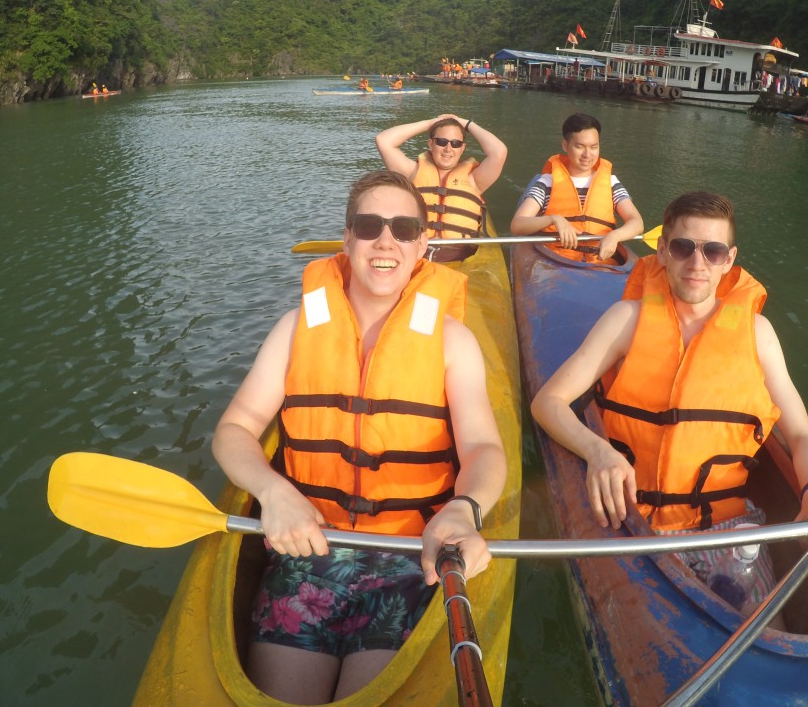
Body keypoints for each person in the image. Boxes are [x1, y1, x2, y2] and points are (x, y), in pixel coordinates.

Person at [212, 169, 506, 704]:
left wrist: (466, 508)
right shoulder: (294, 329)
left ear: (422, 244)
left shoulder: (452, 341)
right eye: (370, 226)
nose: (385, 241)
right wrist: (274, 492)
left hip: (414, 558)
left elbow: (484, 449)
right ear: (348, 238)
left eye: (403, 228)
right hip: (307, 549)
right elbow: (234, 430)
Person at [530, 191, 808, 608]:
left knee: (765, 628)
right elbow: (548, 402)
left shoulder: (758, 334)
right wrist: (598, 451)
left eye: (713, 251)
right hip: (632, 522)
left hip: (728, 529)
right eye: (683, 247)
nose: (697, 264)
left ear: (729, 260)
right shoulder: (626, 320)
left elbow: (802, 436)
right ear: (663, 251)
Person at [510, 112, 644, 263]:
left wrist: (615, 236)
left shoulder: (611, 183)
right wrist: (554, 219)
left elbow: (637, 222)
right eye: (580, 147)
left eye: (593, 147)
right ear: (565, 146)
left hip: (602, 264)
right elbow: (517, 224)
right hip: (555, 263)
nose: (587, 154)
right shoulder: (547, 183)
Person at [376, 114, 508, 262]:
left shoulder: (474, 179)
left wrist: (467, 124)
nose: (448, 149)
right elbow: (384, 141)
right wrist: (430, 123)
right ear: (431, 144)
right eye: (441, 142)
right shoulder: (412, 172)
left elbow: (499, 152)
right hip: (417, 254)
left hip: (461, 257)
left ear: (462, 148)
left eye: (456, 143)